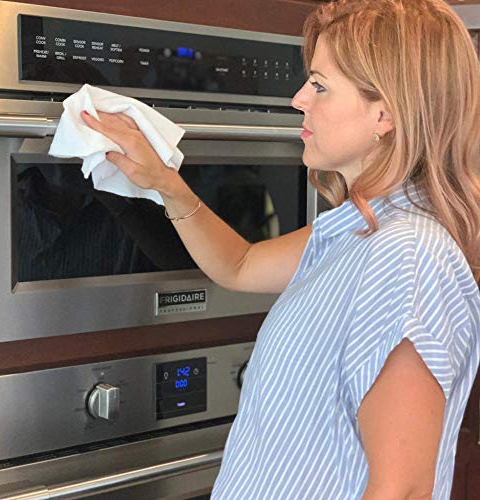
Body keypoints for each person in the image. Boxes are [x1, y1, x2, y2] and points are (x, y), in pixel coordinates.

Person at [81, 0, 480, 497]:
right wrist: (165, 183)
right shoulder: (359, 232)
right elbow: (240, 264)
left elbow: (403, 490)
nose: (298, 99)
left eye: (319, 85)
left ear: (385, 113)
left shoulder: (407, 255)